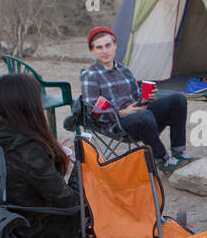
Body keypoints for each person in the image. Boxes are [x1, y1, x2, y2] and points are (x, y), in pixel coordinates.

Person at [0, 73, 80, 238]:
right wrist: (81, 168)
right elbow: (71, 203)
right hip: (28, 229)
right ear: (30, 105)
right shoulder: (28, 151)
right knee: (96, 209)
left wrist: (51, 156)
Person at [79, 25, 190, 173]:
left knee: (178, 99)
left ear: (115, 45)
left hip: (140, 116)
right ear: (92, 51)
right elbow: (94, 111)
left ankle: (179, 152)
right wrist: (121, 113)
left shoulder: (124, 70)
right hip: (116, 123)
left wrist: (145, 99)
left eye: (108, 45)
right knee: (144, 116)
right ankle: (163, 160)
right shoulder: (90, 75)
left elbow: (136, 98)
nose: (104, 51)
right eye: (99, 48)